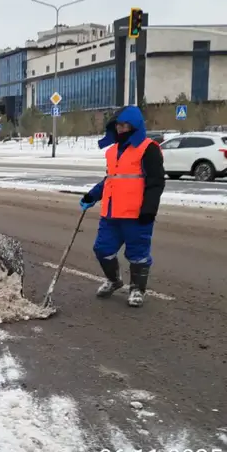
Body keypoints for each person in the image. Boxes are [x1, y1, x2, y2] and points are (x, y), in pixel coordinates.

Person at [79, 105, 165, 308]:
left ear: (135, 126)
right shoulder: (112, 151)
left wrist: (149, 210)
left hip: (137, 215)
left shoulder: (148, 148)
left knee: (138, 254)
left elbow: (156, 183)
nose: (121, 129)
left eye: (125, 125)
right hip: (110, 214)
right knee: (102, 249)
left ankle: (137, 289)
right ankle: (114, 280)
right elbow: (111, 179)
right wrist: (92, 195)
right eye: (118, 125)